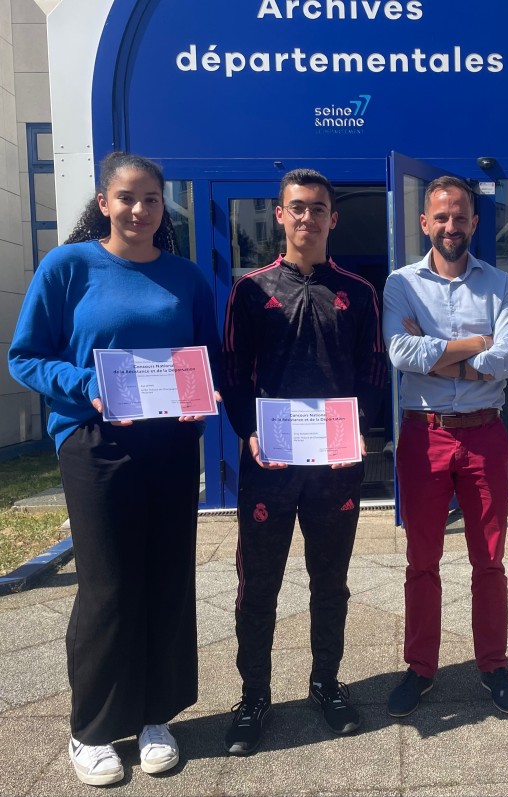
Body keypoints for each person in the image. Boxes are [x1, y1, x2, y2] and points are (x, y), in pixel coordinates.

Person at [8, 152, 221, 786]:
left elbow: (205, 355)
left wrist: (201, 401)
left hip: (171, 445)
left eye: (151, 199)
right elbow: (26, 357)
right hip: (95, 442)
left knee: (167, 578)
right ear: (104, 202)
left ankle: (156, 716)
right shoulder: (68, 267)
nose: (139, 210)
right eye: (126, 197)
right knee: (108, 585)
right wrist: (86, 385)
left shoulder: (185, 277)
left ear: (163, 207)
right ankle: (93, 729)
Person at [221, 168, 385, 753]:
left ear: (332, 218)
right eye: (297, 207)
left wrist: (361, 429)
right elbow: (232, 370)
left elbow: (373, 369)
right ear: (280, 215)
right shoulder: (251, 290)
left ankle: (326, 684)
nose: (307, 217)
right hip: (270, 465)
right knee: (257, 586)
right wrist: (248, 432)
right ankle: (254, 696)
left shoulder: (359, 292)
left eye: (318, 208)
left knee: (331, 582)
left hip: (335, 467)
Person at [381, 176, 508, 717]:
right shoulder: (401, 284)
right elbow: (401, 352)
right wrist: (473, 346)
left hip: (485, 434)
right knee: (422, 560)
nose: (450, 225)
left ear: (474, 222)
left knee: (489, 560)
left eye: (460, 216)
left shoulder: (501, 285)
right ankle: (420, 668)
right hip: (425, 434)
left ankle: (494, 665)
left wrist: (438, 352)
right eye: (440, 217)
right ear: (425, 223)